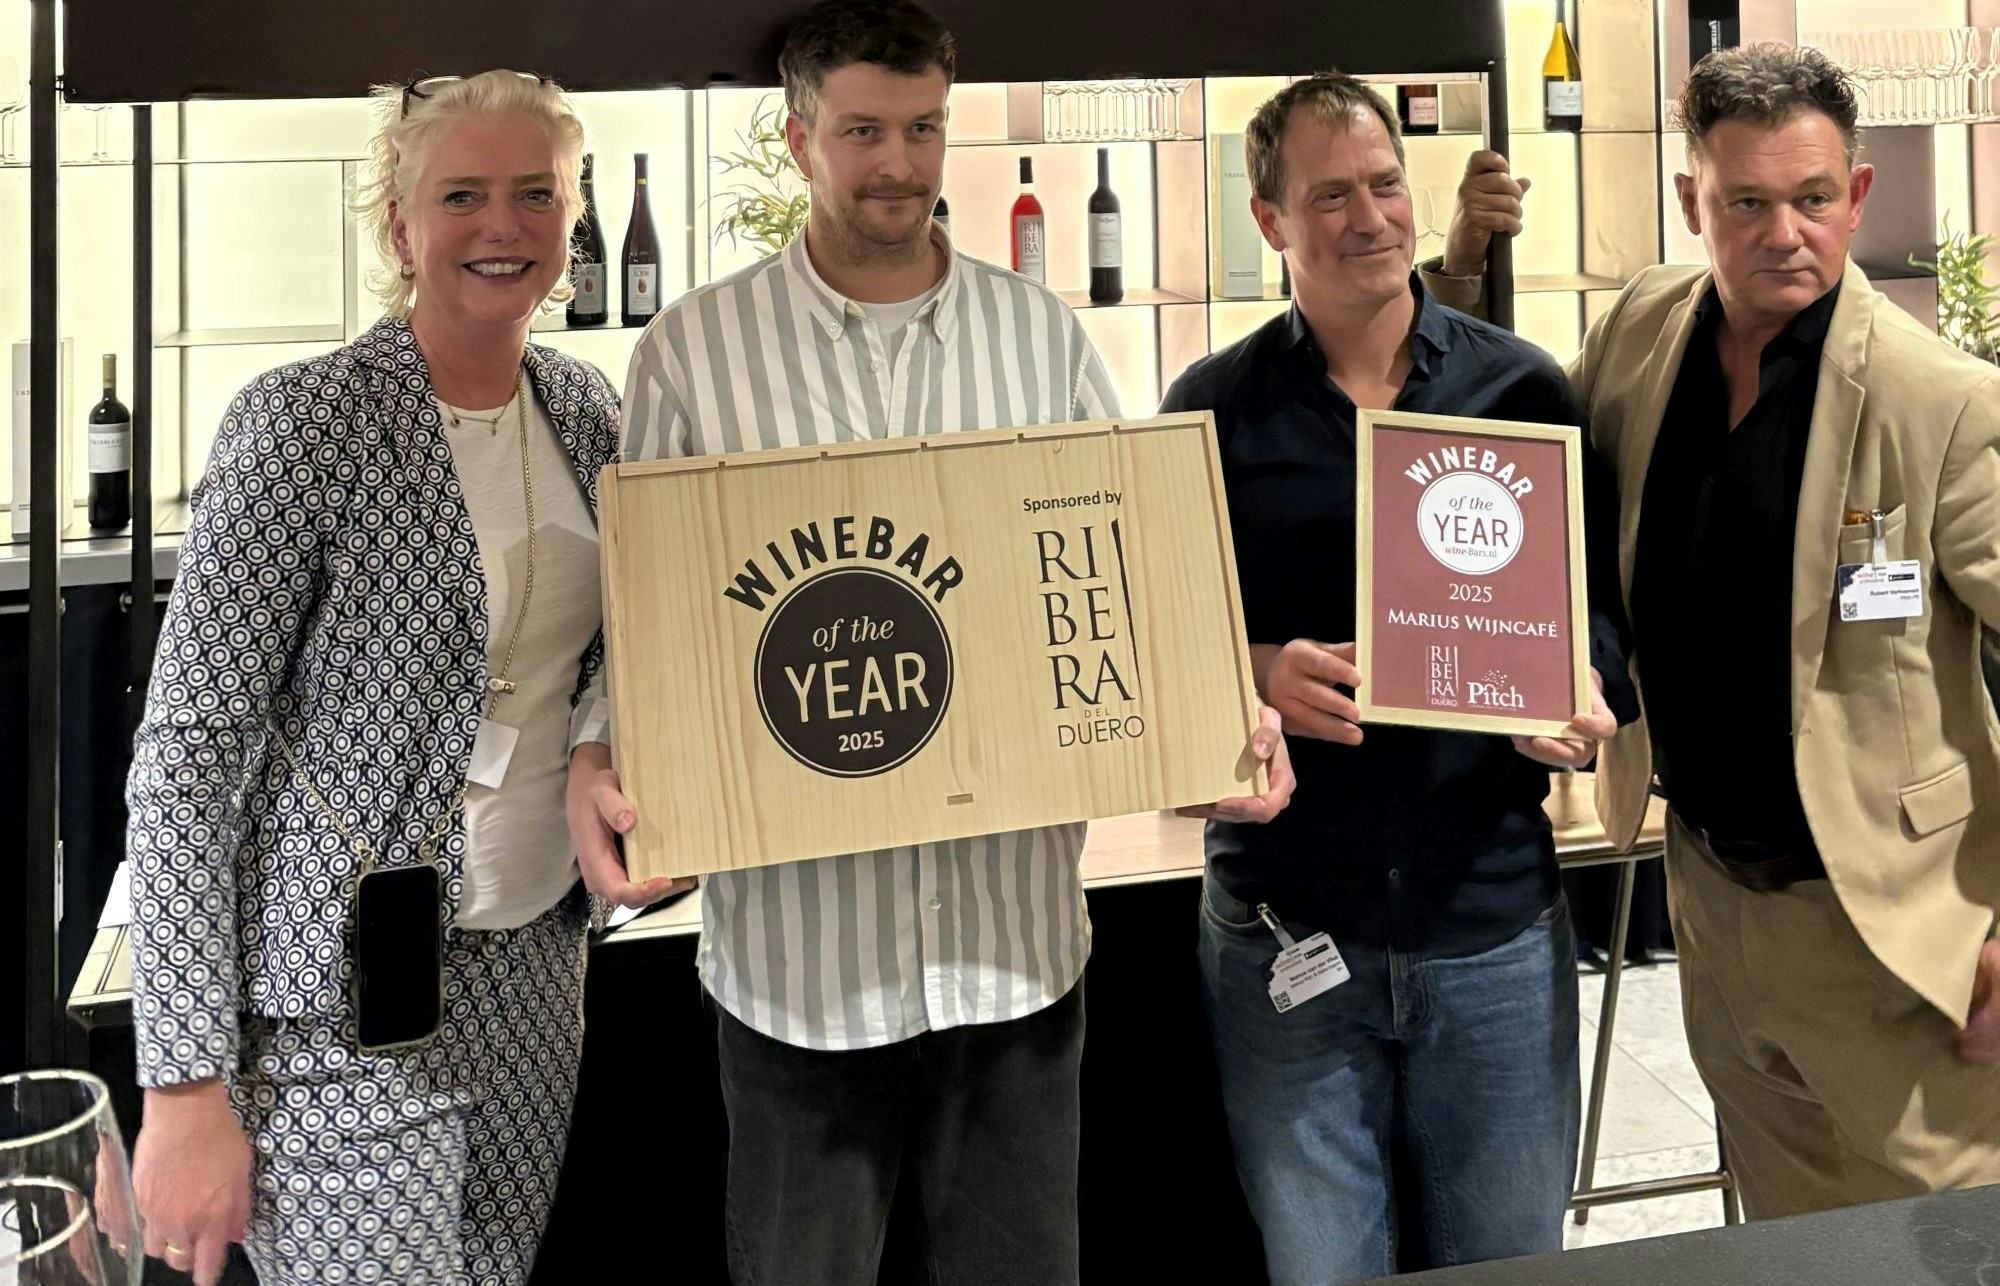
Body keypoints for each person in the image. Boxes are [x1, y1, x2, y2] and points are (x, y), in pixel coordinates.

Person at [563, 3, 1294, 1281]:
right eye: (860, 131)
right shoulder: (697, 348)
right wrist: (601, 752)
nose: (895, 162)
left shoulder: (1040, 334)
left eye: (920, 128)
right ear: (799, 139)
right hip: (798, 977)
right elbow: (656, 621)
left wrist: (1210, 713)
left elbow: (1110, 574)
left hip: (1012, 959)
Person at [1433, 42, 2000, 1219]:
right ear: (1694, 200)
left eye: (1808, 199)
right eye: (1745, 201)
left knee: (1942, 1239)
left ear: (1854, 196)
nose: (1781, 232)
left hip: (1893, 929)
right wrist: (1460, 267)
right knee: (1784, 1234)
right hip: (1706, 897)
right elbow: (1501, 442)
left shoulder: (1938, 400)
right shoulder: (1641, 331)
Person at [125, 70, 658, 1285]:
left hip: (532, 973)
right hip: (335, 1009)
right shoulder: (303, 423)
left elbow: (614, 653)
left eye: (536, 194)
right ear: (399, 224)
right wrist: (183, 1082)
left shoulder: (587, 411)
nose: (502, 226)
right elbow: (187, 758)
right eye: (461, 193)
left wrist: (594, 744)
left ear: (573, 220)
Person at [1158, 73, 1639, 1283]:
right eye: (1328, 195)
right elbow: (1151, 659)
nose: (1367, 216)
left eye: (1383, 184)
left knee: (1510, 1259)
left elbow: (1601, 625)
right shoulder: (1205, 412)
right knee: (1320, 1266)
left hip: (1488, 922)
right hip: (1284, 930)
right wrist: (1252, 671)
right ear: (1269, 221)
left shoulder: (1520, 390)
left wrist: (1585, 688)